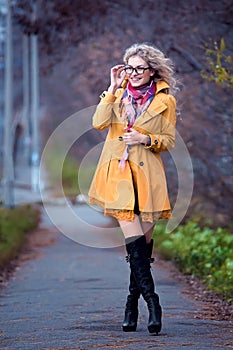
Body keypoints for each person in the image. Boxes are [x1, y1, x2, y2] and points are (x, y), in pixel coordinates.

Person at [88, 42, 177, 335]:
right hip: (120, 177)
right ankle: (153, 303)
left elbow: (168, 140)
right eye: (130, 67)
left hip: (149, 179)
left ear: (152, 71)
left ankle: (131, 305)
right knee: (136, 244)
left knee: (140, 251)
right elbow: (99, 123)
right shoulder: (118, 95)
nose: (134, 73)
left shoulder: (166, 101)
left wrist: (144, 139)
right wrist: (112, 87)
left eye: (140, 68)